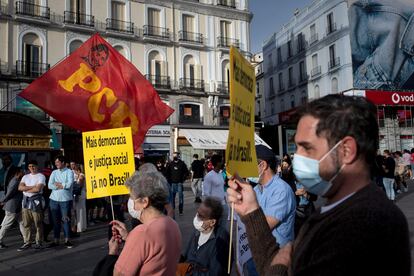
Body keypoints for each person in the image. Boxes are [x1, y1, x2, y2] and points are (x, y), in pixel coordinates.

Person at [227, 94, 410, 276]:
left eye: (307, 147)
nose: (296, 157)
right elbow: (269, 265)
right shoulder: (337, 210)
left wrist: (282, 266)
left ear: (346, 150)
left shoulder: (364, 224)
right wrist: (252, 212)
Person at [108, 171, 181, 275]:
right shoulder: (172, 224)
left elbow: (120, 274)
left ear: (144, 202)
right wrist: (129, 238)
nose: (130, 203)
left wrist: (112, 253)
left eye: (132, 198)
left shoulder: (142, 232)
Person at [181, 197, 231, 275]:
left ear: (212, 222)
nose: (197, 218)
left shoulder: (221, 240)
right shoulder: (197, 232)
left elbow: (216, 273)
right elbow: (186, 257)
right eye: (197, 213)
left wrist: (189, 271)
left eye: (201, 216)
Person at [18, 160, 46, 250]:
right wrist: (31, 187)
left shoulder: (41, 176)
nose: (31, 168)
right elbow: (19, 187)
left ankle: (39, 242)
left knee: (38, 222)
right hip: (25, 202)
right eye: (30, 166)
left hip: (36, 202)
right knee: (26, 223)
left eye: (33, 166)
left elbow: (37, 189)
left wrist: (25, 189)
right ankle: (27, 242)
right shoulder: (25, 177)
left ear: (37, 166)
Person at [47, 155, 75, 248]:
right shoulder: (54, 172)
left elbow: (69, 184)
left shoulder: (69, 172)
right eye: (55, 163)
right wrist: (61, 185)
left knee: (65, 220)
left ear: (63, 162)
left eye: (57, 162)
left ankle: (67, 240)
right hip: (53, 199)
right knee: (55, 221)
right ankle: (56, 240)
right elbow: (49, 185)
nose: (56, 164)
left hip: (65, 200)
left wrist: (59, 184)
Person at [0, 168, 25, 249]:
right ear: (18, 173)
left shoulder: (15, 180)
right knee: (6, 225)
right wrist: (3, 200)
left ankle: (27, 240)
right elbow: (9, 193)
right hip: (12, 207)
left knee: (22, 223)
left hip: (16, 207)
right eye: (22, 172)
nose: (23, 172)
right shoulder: (15, 182)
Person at [73, 164, 87, 233]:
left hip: (80, 194)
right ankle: (82, 226)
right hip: (81, 194)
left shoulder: (81, 175)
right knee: (80, 211)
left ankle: (80, 227)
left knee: (80, 211)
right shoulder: (80, 175)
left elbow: (80, 186)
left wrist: (77, 195)